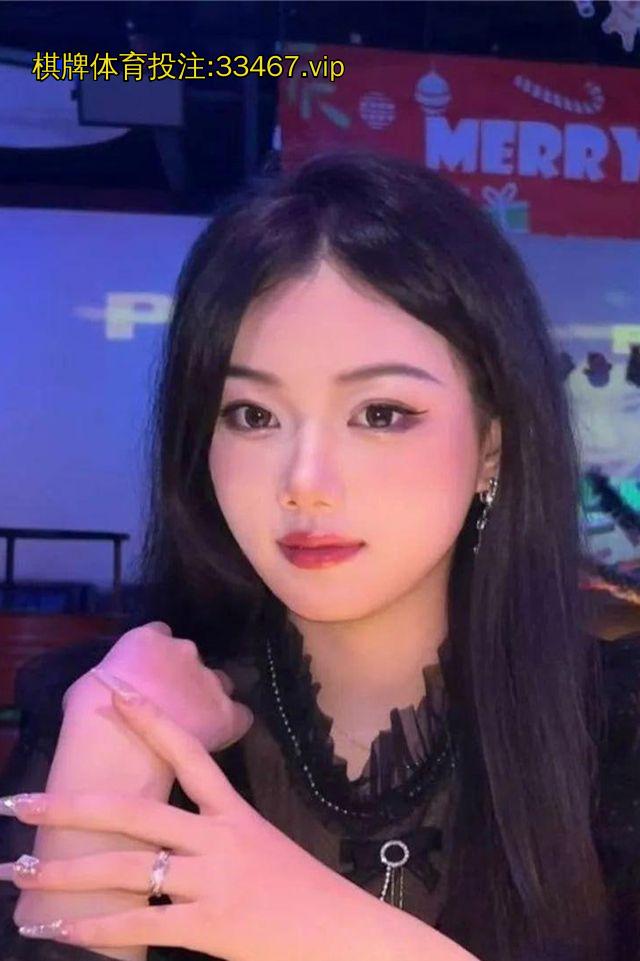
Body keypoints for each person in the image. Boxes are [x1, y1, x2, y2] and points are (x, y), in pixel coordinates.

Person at [1, 147, 640, 961]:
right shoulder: (111, 709)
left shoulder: (615, 734)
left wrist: (326, 927)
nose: (304, 483)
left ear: (491, 444)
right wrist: (108, 763)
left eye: (379, 413)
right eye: (253, 415)